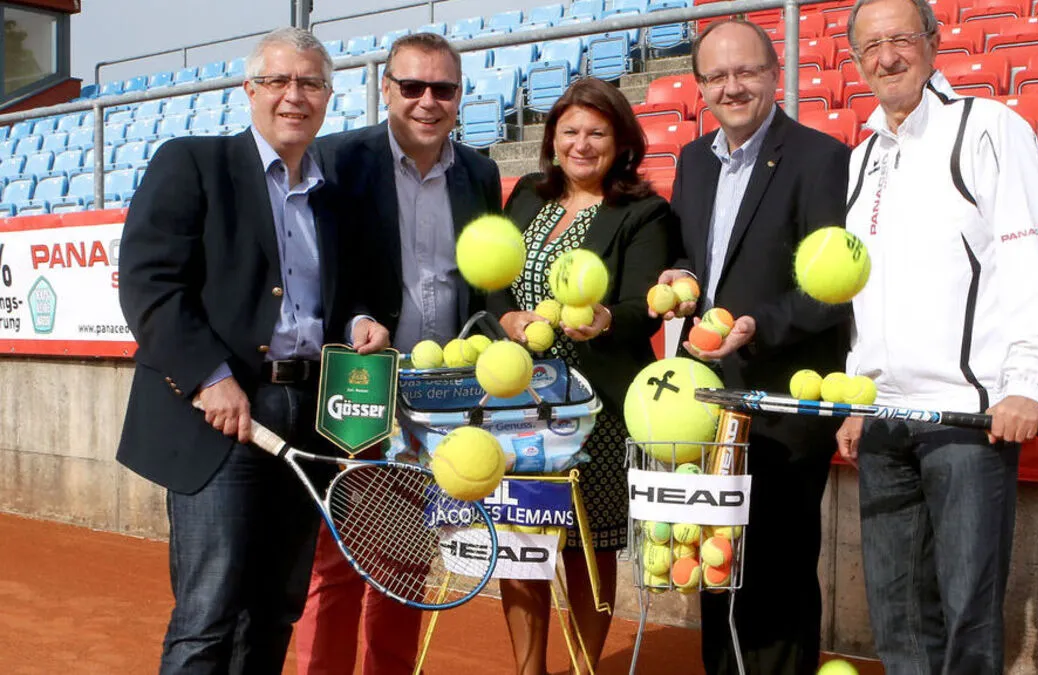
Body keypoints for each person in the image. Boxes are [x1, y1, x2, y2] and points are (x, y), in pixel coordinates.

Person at [116, 27, 391, 675]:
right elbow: (149, 283)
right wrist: (208, 376)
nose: (293, 95)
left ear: (328, 96)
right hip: (224, 414)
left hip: (309, 414)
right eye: (278, 81)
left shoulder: (336, 196)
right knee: (209, 612)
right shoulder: (192, 162)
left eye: (310, 83)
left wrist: (361, 320)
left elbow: (349, 293)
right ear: (250, 90)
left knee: (275, 608)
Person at [834, 0, 1038, 672]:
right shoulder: (862, 160)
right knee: (898, 614)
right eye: (870, 46)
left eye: (901, 39)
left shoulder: (989, 128)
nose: (886, 57)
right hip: (884, 419)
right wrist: (858, 394)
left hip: (967, 419)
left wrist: (1027, 382)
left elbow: (1029, 257)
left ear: (934, 43)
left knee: (967, 615)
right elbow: (863, 288)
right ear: (855, 61)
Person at [293, 32, 502, 675]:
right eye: (411, 86)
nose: (427, 101)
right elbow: (315, 269)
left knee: (407, 564)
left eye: (443, 88)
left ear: (460, 96)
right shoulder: (336, 159)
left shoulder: (480, 172)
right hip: (359, 384)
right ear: (386, 90)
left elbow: (483, 285)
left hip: (437, 397)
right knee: (337, 566)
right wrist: (358, 320)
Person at [652, 18, 853, 675]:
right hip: (709, 401)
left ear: (775, 75)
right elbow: (690, 255)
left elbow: (832, 287)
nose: (731, 86)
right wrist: (678, 275)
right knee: (718, 560)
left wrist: (757, 324)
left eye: (745, 72)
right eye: (716, 75)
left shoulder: (821, 158)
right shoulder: (691, 160)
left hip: (783, 402)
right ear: (700, 87)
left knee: (780, 567)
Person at [488, 77, 676, 674]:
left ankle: (584, 666)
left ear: (622, 142)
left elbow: (643, 303)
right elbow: (494, 278)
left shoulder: (643, 211)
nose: (582, 143)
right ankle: (529, 669)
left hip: (593, 406)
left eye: (597, 132)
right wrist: (507, 315)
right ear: (552, 139)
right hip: (517, 398)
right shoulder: (524, 195)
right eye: (570, 131)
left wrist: (600, 320)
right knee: (522, 543)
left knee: (586, 546)